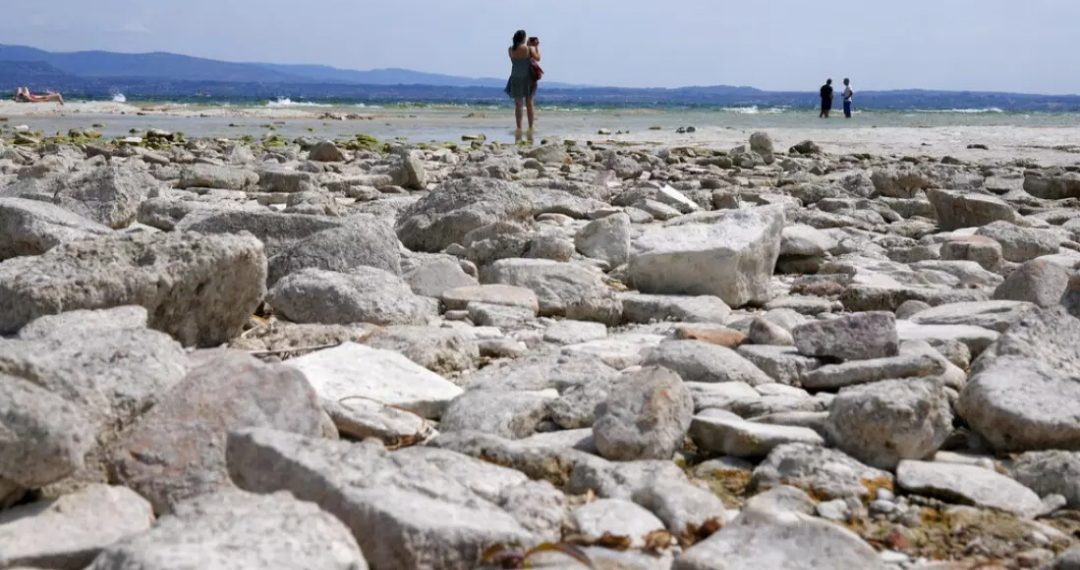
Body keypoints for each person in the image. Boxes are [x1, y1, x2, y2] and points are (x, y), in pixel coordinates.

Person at [505, 30, 540, 138]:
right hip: (527, 78)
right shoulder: (528, 48)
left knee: (518, 105)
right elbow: (537, 58)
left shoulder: (510, 49)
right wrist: (535, 47)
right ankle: (530, 127)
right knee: (529, 103)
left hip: (515, 77)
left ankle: (519, 127)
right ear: (524, 38)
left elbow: (515, 61)